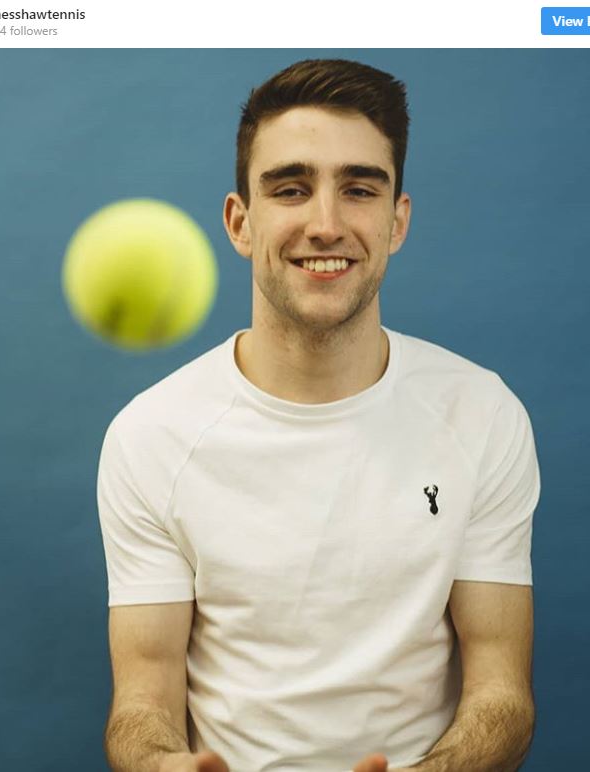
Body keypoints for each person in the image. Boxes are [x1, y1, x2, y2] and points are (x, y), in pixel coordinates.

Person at [97, 59, 540, 772]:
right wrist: (160, 764)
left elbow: (501, 695)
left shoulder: (482, 413)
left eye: (359, 189)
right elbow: (141, 704)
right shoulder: (150, 435)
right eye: (291, 189)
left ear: (397, 221)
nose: (326, 225)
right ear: (241, 222)